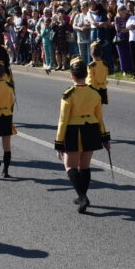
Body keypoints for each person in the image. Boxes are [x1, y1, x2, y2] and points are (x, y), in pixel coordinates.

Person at [54, 58, 111, 213]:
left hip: (73, 130)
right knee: (84, 166)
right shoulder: (95, 93)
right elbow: (99, 118)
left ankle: (82, 196)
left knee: (70, 166)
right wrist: (105, 137)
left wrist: (58, 142)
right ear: (86, 75)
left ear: (72, 76)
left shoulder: (68, 94)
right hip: (91, 129)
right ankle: (82, 196)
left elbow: (63, 120)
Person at [86, 41, 109, 105]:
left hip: (94, 89)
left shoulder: (91, 65)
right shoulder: (104, 63)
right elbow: (105, 75)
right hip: (103, 88)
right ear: (101, 53)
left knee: (93, 107)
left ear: (91, 54)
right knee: (100, 107)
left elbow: (90, 79)